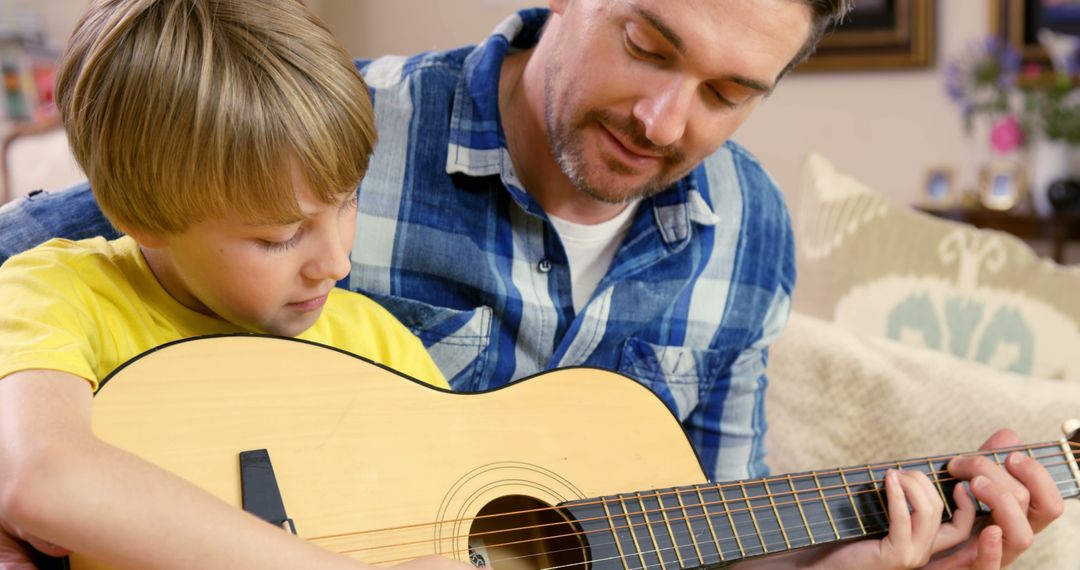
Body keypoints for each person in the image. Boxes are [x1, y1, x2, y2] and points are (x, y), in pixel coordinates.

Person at [0, 0, 1064, 567]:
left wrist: (864, 561)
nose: (664, 120)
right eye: (648, 45)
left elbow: (693, 532)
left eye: (731, 92)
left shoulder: (750, 237)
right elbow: (95, 269)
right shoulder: (325, 127)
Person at [0, 1, 473, 569]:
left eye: (348, 201)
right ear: (142, 217)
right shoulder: (55, 292)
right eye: (280, 237)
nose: (336, 263)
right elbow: (45, 480)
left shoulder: (378, 343)